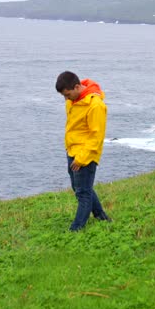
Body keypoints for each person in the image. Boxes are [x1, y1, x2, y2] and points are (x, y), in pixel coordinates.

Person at [56, 70, 111, 231]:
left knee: (83, 193)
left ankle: (76, 229)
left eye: (67, 94)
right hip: (72, 150)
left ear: (77, 87)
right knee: (80, 188)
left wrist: (81, 159)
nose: (66, 99)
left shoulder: (95, 105)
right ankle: (101, 216)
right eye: (63, 96)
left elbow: (96, 137)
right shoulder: (73, 101)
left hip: (85, 155)